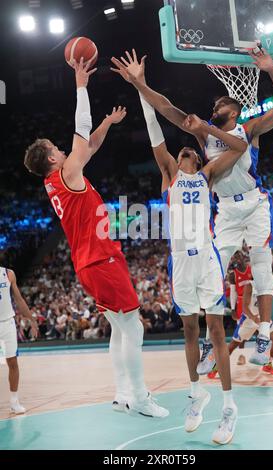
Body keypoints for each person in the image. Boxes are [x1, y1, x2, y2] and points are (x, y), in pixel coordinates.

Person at [111, 47, 273, 366]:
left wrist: (271, 70)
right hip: (225, 210)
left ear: (233, 112)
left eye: (219, 105)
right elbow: (166, 108)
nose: (214, 106)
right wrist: (139, 83)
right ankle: (214, 340)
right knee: (215, 269)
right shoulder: (202, 139)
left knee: (262, 265)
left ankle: (264, 334)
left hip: (253, 203)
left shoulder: (248, 131)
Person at [24, 57, 168, 419]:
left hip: (88, 262)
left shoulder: (56, 180)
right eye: (57, 148)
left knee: (119, 329)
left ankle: (122, 394)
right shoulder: (67, 172)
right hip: (100, 260)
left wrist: (107, 122)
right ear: (53, 159)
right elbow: (81, 130)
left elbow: (89, 144)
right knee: (132, 327)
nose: (63, 148)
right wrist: (81, 85)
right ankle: (140, 396)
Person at [123, 67, 248, 444]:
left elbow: (240, 148)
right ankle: (197, 394)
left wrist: (208, 133)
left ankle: (229, 408)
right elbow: (155, 131)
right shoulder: (170, 176)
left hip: (206, 258)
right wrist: (139, 85)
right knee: (189, 329)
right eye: (183, 151)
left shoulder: (208, 174)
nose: (186, 150)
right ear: (176, 162)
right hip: (180, 261)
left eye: (190, 150)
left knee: (216, 330)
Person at [208, 281, 273, 378]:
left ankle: (267, 364)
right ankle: (215, 367)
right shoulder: (250, 285)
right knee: (232, 345)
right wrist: (253, 317)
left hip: (263, 318)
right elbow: (245, 307)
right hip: (248, 320)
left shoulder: (272, 286)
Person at [0, 267, 38, 414]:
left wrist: (32, 319)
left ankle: (14, 402)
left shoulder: (8, 273)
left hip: (8, 323)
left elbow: (19, 299)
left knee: (13, 363)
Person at [229, 251, 253, 365]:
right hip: (241, 304)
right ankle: (241, 356)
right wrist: (233, 308)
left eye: (239, 256)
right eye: (235, 257)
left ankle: (262, 354)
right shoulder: (233, 274)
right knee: (240, 333)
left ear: (243, 257)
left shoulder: (251, 270)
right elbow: (233, 293)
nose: (237, 259)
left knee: (260, 329)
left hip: (253, 302)